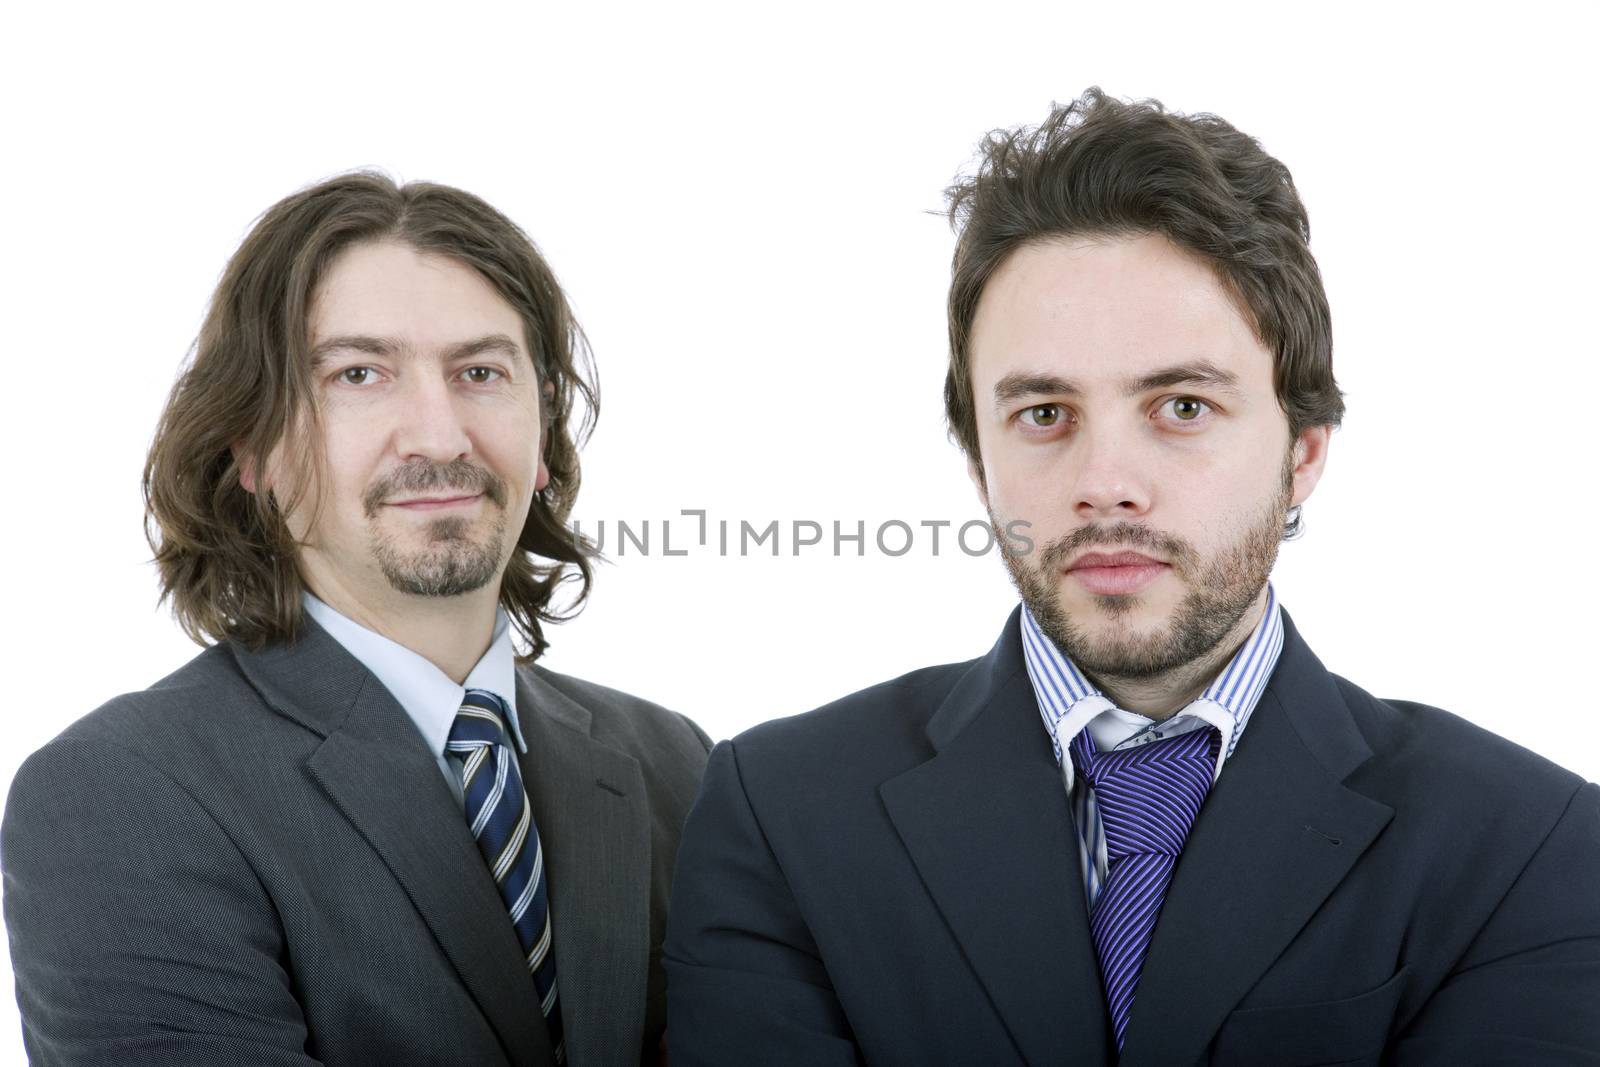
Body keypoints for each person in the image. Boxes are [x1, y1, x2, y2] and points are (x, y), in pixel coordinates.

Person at [663, 89, 1600, 1064]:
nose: (1104, 486)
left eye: (1182, 405)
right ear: (978, 458)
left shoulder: (1526, 844)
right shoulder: (780, 810)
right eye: (1043, 414)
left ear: (1304, 452)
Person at [3, 173, 711, 1066]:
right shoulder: (120, 795)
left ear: (544, 434)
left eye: (481, 371)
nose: (440, 435)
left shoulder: (675, 766)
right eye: (360, 374)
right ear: (251, 444)